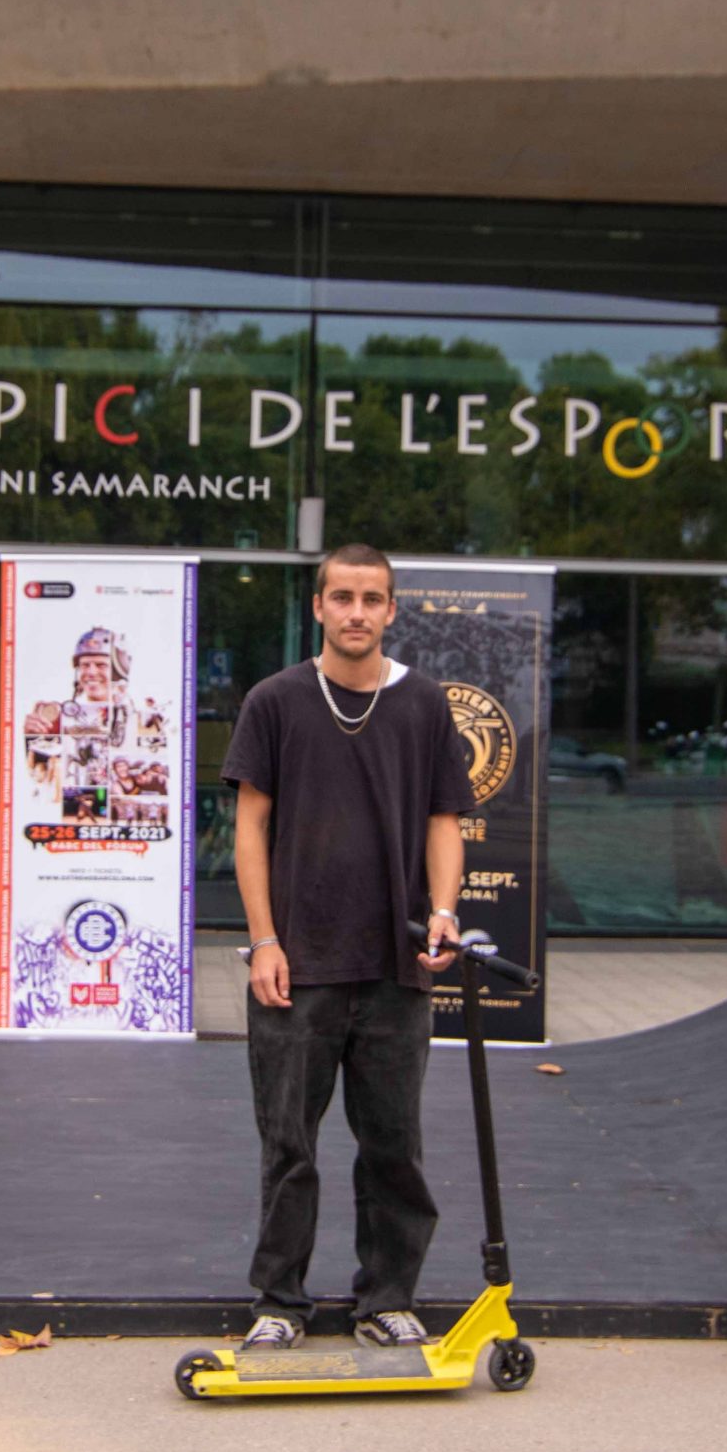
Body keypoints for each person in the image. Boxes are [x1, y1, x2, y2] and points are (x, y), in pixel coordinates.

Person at [219, 542, 475, 1351]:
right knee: (288, 1144)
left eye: (373, 599)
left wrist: (443, 911)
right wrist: (263, 938)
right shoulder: (276, 700)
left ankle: (387, 1297)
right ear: (319, 606)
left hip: (397, 963)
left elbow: (444, 820)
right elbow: (250, 827)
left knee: (394, 1144)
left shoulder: (426, 704)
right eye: (342, 597)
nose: (357, 612)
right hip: (298, 964)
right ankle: (279, 1302)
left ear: (392, 610)